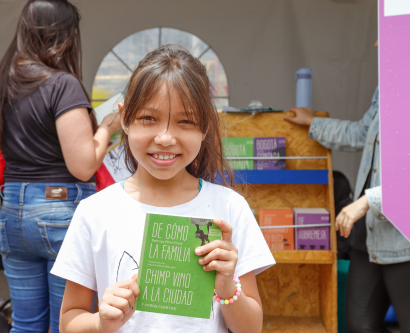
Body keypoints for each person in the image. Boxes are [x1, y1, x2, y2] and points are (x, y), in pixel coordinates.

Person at [51, 44, 276, 333]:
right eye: (148, 118)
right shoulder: (95, 211)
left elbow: (251, 329)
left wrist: (226, 287)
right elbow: (69, 320)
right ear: (125, 119)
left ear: (205, 128)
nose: (166, 137)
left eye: (185, 121)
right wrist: (100, 321)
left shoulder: (229, 209)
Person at [0, 1, 121, 332]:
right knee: (66, 324)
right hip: (60, 212)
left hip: (13, 209)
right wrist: (107, 128)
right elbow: (83, 166)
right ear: (66, 36)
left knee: (26, 325)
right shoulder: (62, 85)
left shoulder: (1, 87)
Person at [285, 41, 410, 333]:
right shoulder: (389, 86)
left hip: (403, 243)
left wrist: (365, 202)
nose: (378, 42)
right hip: (369, 237)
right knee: (357, 326)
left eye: (386, 32)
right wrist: (313, 122)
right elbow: (360, 133)